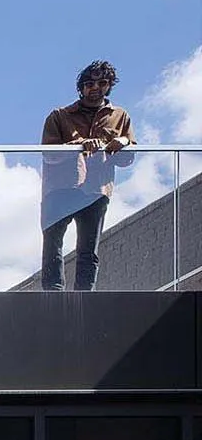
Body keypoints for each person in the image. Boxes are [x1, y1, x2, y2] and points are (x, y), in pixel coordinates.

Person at [39, 60, 135, 291]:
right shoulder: (60, 116)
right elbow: (48, 154)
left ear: (109, 86)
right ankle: (53, 296)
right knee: (53, 244)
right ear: (81, 87)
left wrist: (122, 142)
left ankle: (85, 297)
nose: (95, 88)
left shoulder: (120, 116)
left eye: (102, 83)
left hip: (96, 189)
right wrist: (79, 145)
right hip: (60, 187)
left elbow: (127, 159)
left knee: (88, 249)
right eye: (90, 83)